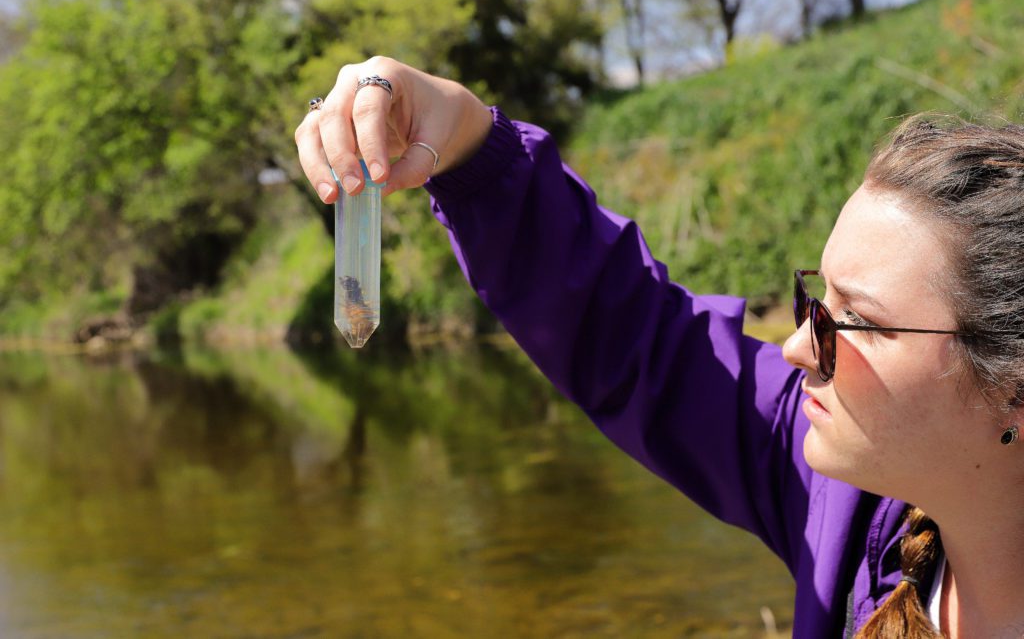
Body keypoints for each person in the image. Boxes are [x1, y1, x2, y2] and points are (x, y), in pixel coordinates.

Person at [294, 56, 1024, 638]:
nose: (800, 345)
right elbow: (640, 342)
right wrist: (464, 142)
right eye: (814, 299)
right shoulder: (855, 504)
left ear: (1010, 381)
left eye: (854, 320)